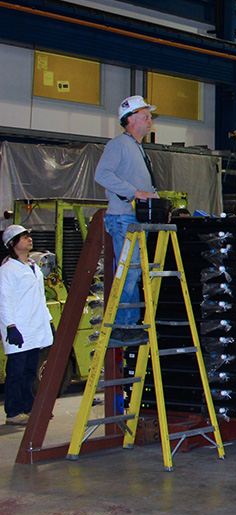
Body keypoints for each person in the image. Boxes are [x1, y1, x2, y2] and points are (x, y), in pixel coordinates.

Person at [94, 94, 158, 341]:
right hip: (123, 218)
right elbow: (102, 175)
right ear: (130, 119)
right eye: (146, 116)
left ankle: (129, 324)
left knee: (133, 271)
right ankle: (121, 325)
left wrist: (153, 196)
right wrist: (135, 193)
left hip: (134, 218)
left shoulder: (137, 148)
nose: (150, 121)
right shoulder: (119, 145)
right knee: (128, 272)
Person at [0, 225, 53, 425]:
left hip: (35, 328)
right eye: (23, 237)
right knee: (16, 372)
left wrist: (48, 320)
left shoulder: (33, 266)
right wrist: (10, 327)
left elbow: (40, 297)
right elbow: (4, 301)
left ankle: (29, 407)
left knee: (30, 372)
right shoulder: (7, 270)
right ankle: (13, 412)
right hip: (19, 329)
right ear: (12, 244)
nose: (29, 239)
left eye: (29, 235)